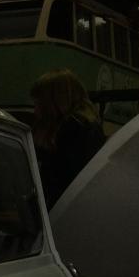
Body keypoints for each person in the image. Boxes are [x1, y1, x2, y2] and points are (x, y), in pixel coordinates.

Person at [30, 69, 106, 208]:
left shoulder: (70, 129)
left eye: (38, 103)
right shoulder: (87, 125)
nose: (35, 110)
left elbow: (57, 177)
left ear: (52, 102)